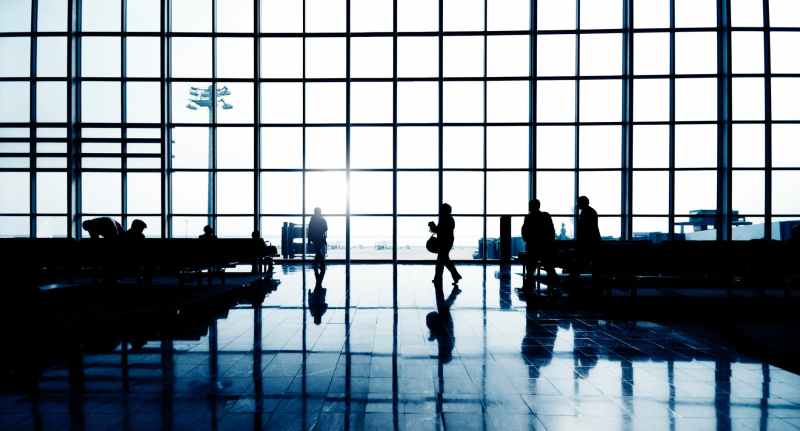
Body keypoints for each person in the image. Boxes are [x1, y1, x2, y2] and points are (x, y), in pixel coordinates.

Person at [521, 199, 558, 292]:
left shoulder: (529, 217)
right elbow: (551, 230)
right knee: (549, 266)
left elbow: (525, 231)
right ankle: (554, 283)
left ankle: (529, 285)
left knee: (531, 267)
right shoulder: (545, 216)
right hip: (545, 246)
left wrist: (527, 240)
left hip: (533, 246)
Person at [429, 203, 462, 287]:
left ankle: (444, 277)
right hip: (447, 242)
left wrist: (432, 226)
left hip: (444, 242)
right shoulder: (450, 219)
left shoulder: (445, 219)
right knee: (443, 260)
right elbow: (442, 230)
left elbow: (439, 230)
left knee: (442, 260)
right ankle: (452, 276)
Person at [575, 196, 601, 272]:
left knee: (582, 261)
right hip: (592, 240)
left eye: (578, 203)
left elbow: (585, 228)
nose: (577, 204)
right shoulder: (591, 211)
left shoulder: (586, 213)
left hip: (588, 241)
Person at [308, 207, 328, 286]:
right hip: (320, 238)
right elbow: (325, 229)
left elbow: (309, 231)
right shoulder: (322, 220)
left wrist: (309, 240)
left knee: (318, 252)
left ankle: (317, 264)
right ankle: (321, 264)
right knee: (319, 252)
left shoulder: (312, 220)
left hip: (315, 238)